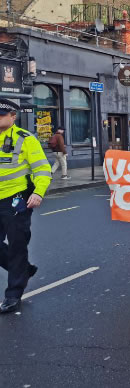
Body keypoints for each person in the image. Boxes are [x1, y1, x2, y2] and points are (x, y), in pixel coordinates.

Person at [0, 99, 52, 313]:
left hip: (17, 198)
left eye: (2, 114)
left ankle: (13, 295)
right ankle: (24, 269)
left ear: (13, 116)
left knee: (17, 245)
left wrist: (38, 192)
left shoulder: (25, 139)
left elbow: (42, 168)